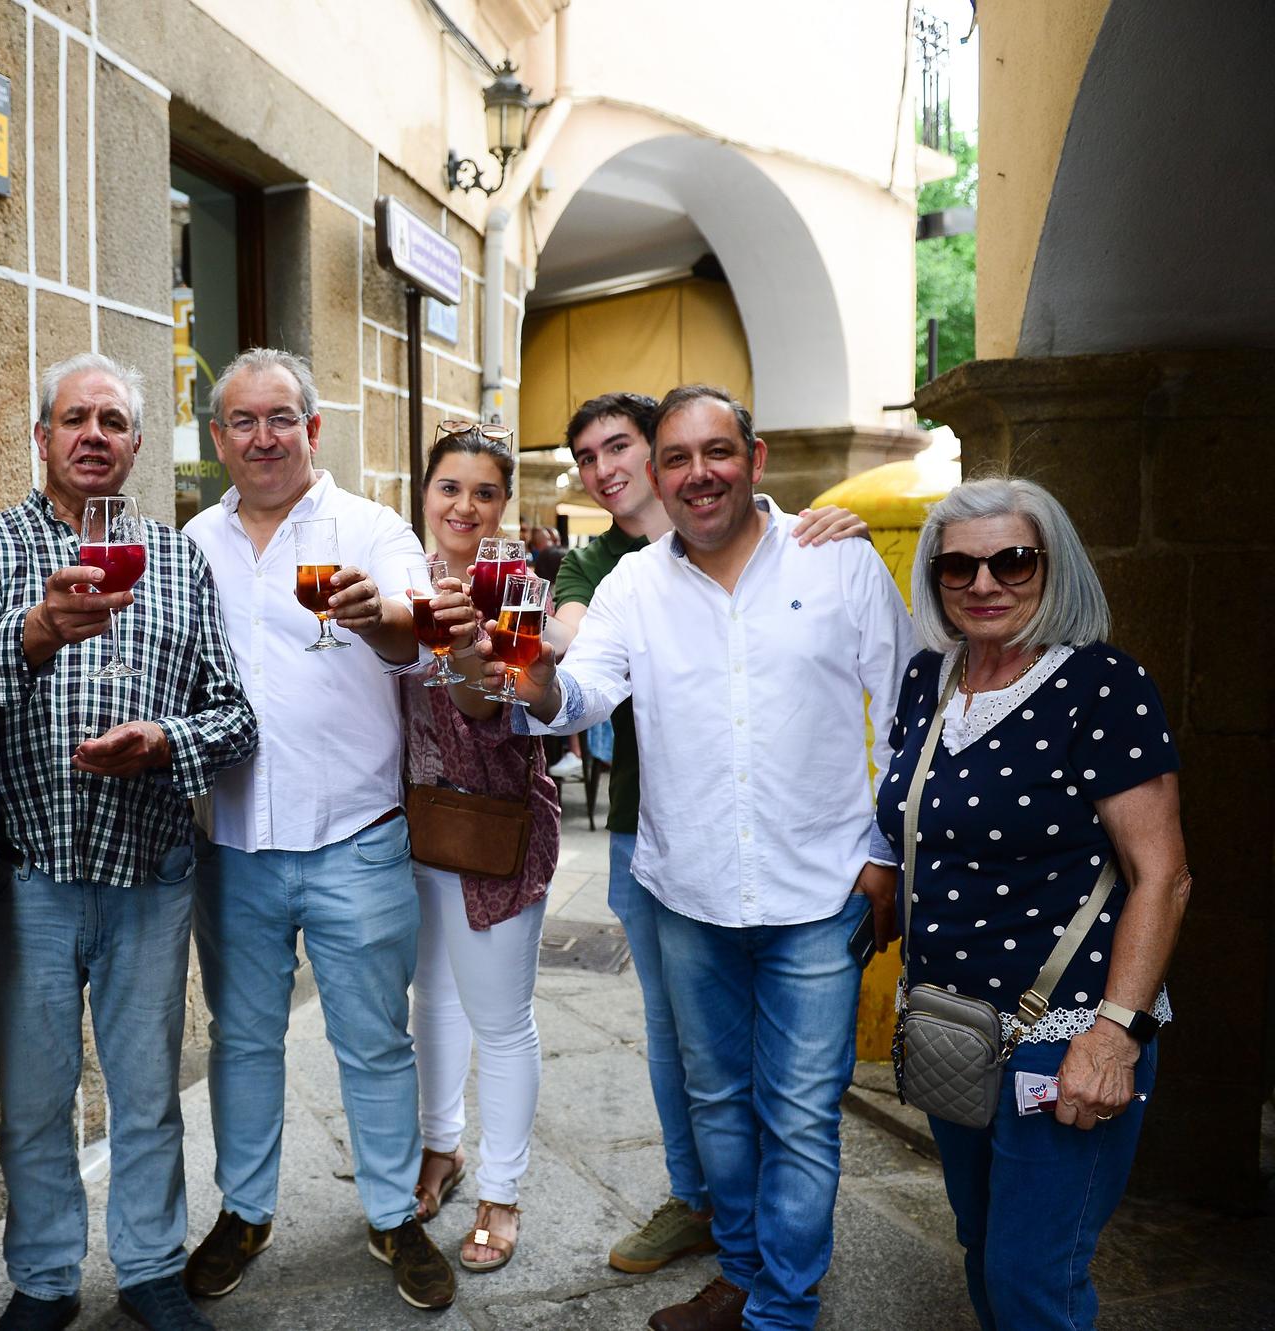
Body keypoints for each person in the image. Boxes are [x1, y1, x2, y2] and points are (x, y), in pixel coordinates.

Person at [500, 384, 912, 1331]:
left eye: (716, 452)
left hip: (819, 892)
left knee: (801, 1115)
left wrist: (884, 853)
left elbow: (904, 714)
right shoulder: (630, 586)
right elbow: (581, 696)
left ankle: (782, 1308)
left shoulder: (838, 560)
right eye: (676, 459)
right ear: (657, 473)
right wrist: (534, 676)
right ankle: (741, 1271)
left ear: (754, 459)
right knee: (718, 1102)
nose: (698, 474)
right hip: (688, 893)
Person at [0, 353, 257, 1331]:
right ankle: (41, 1279)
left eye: (113, 421)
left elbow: (233, 714)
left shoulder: (175, 557)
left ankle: (152, 1266)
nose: (92, 435)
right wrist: (36, 630)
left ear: (132, 444)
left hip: (149, 876)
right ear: (42, 438)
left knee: (148, 1091)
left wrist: (166, 741)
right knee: (35, 1102)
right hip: (28, 875)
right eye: (74, 418)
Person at [873, 477, 1188, 1330]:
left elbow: (1163, 874)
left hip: (1069, 1032)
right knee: (983, 1246)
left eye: (1012, 560)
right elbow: (911, 827)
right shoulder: (929, 679)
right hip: (954, 1028)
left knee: (1031, 1277)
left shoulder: (1102, 685)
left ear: (1054, 567)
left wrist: (1117, 1034)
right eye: (959, 568)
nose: (985, 584)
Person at [180, 348, 457, 1311]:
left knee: (374, 1041)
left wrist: (373, 610)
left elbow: (417, 637)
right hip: (233, 841)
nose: (263, 437)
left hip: (355, 835)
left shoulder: (371, 527)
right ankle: (246, 1210)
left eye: (280, 418)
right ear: (218, 438)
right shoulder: (195, 539)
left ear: (313, 427)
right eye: (242, 422)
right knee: (242, 1039)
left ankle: (393, 1213)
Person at [400, 425, 560, 1273]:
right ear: (425, 494)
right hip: (411, 826)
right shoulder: (398, 580)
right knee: (435, 1000)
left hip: (497, 829)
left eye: (485, 492)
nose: (464, 505)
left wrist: (470, 650)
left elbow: (494, 710)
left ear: (504, 505)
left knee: (500, 1019)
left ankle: (501, 1190)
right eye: (449, 488)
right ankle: (441, 1147)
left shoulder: (516, 588)